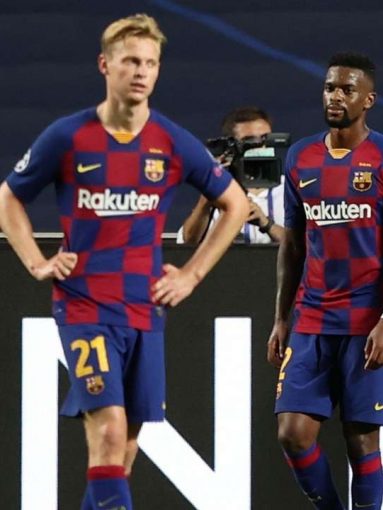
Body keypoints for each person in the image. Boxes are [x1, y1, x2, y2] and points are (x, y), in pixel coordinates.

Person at [0, 14, 247, 510]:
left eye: (150, 63)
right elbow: (8, 197)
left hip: (145, 308)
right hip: (85, 304)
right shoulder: (69, 137)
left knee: (124, 449)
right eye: (131, 61)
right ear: (104, 65)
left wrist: (192, 274)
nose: (141, 72)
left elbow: (235, 204)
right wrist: (35, 262)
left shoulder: (170, 141)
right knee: (109, 432)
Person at [266, 52, 383, 510]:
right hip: (312, 320)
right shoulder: (301, 158)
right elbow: (292, 246)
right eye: (330, 88)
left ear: (368, 99)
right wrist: (281, 318)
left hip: (367, 322)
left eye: (347, 90)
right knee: (292, 433)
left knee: (361, 442)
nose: (335, 97)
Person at [178, 106, 285, 245]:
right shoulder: (219, 187)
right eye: (250, 140)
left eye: (266, 138)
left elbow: (305, 244)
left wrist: (267, 224)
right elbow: (187, 243)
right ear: (232, 146)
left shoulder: (290, 188)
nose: (261, 146)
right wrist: (207, 198)